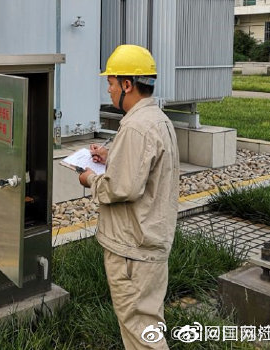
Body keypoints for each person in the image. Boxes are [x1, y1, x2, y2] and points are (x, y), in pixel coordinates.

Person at [78, 44, 180, 350]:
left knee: (139, 331)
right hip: (151, 242)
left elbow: (120, 189)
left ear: (127, 84)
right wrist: (111, 156)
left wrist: (90, 178)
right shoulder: (157, 119)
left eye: (110, 83)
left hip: (132, 251)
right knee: (148, 324)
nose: (108, 90)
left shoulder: (135, 127)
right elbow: (144, 169)